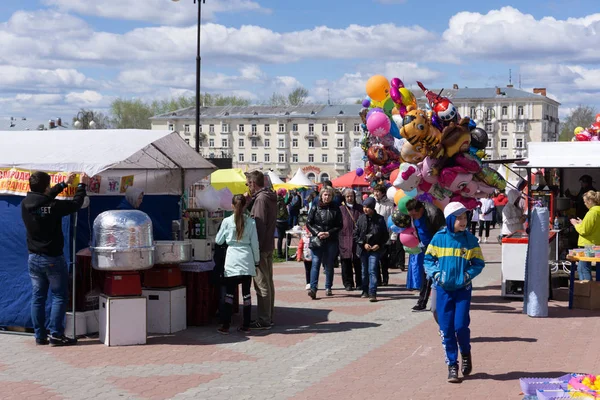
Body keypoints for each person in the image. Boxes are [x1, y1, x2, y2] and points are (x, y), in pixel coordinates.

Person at [21, 171, 89, 346]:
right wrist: (81, 186)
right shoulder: (53, 206)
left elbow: (41, 200)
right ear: (46, 187)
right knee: (59, 296)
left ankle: (40, 336)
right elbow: (75, 205)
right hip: (52, 258)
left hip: (33, 258)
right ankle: (57, 335)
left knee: (38, 297)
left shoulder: (25, 203)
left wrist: (63, 185)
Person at [424, 202, 485, 383]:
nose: (463, 221)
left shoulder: (470, 240)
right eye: (458, 218)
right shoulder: (439, 238)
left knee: (460, 326)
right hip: (443, 290)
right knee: (446, 329)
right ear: (450, 220)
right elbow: (428, 259)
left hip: (462, 291)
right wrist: (436, 274)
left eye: (464, 217)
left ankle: (465, 353)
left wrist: (467, 275)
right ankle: (452, 365)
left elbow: (479, 263)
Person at [215, 195, 259, 335]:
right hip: (246, 259)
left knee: (229, 294)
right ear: (245, 205)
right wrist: (256, 261)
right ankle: (246, 324)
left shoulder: (227, 221)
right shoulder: (251, 222)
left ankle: (226, 325)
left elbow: (219, 240)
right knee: (246, 294)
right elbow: (255, 244)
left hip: (232, 259)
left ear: (232, 206)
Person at [246, 171, 277, 330]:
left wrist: (255, 250)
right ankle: (268, 316)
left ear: (253, 183)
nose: (248, 187)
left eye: (248, 184)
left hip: (261, 247)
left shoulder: (260, 200)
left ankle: (264, 319)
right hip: (269, 245)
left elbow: (259, 226)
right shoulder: (269, 196)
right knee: (268, 282)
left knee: (261, 284)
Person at [406, 199, 445, 311]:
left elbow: (442, 232)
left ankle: (436, 301)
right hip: (424, 247)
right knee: (426, 275)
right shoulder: (414, 214)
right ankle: (422, 302)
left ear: (421, 210)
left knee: (434, 274)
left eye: (415, 214)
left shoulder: (434, 213)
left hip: (437, 248)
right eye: (411, 214)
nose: (413, 216)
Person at [306, 186, 343, 299]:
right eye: (325, 194)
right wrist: (317, 232)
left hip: (331, 240)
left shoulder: (336, 208)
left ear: (332, 196)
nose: (327, 197)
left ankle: (328, 287)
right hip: (317, 239)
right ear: (321, 196)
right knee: (316, 263)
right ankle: (313, 288)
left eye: (329, 195)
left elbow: (339, 225)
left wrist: (329, 233)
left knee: (329, 264)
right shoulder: (315, 207)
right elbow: (309, 223)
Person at [354, 197, 389, 302]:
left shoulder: (380, 219)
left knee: (372, 270)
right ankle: (365, 290)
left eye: (368, 207)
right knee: (364, 271)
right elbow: (355, 234)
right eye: (364, 207)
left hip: (375, 249)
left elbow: (385, 235)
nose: (365, 209)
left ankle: (373, 292)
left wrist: (379, 244)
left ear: (373, 208)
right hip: (363, 249)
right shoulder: (360, 218)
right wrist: (363, 244)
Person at [570, 191, 600, 280]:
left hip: (588, 245)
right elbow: (594, 226)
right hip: (597, 243)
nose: (585, 204)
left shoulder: (592, 213)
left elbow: (584, 231)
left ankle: (586, 289)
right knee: (597, 269)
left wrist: (575, 224)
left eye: (585, 202)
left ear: (590, 201)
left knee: (583, 268)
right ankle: (595, 290)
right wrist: (583, 223)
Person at [339, 188, 364, 291]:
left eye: (351, 196)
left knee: (358, 261)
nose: (350, 198)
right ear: (344, 198)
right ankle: (348, 283)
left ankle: (359, 283)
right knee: (346, 261)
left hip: (357, 238)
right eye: (347, 196)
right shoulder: (341, 209)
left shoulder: (360, 208)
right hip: (344, 237)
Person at [373, 184, 395, 286]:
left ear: (383, 193)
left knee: (384, 259)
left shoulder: (389, 204)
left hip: (386, 234)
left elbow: (393, 220)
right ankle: (377, 279)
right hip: (374, 235)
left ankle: (385, 278)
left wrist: (393, 235)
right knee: (375, 259)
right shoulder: (373, 202)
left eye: (378, 191)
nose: (376, 193)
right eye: (375, 191)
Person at [296, 225, 313, 290]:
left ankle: (313, 283)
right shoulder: (303, 239)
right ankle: (308, 283)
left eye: (310, 232)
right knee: (307, 271)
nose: (308, 234)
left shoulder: (314, 238)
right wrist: (299, 257)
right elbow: (299, 248)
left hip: (313, 257)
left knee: (313, 271)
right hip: (306, 258)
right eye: (307, 232)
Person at [275, 188, 290, 259]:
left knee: (280, 238)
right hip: (283, 221)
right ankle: (285, 252)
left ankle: (279, 253)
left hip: (277, 221)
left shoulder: (276, 200)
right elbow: (282, 211)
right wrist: (286, 215)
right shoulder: (281, 201)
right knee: (288, 237)